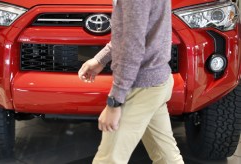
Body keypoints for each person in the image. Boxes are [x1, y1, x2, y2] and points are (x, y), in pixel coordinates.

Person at [78, 0, 184, 163]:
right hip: (157, 82)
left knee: (109, 160)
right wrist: (101, 59)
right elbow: (133, 33)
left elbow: (132, 47)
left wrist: (115, 102)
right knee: (167, 158)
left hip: (140, 88)